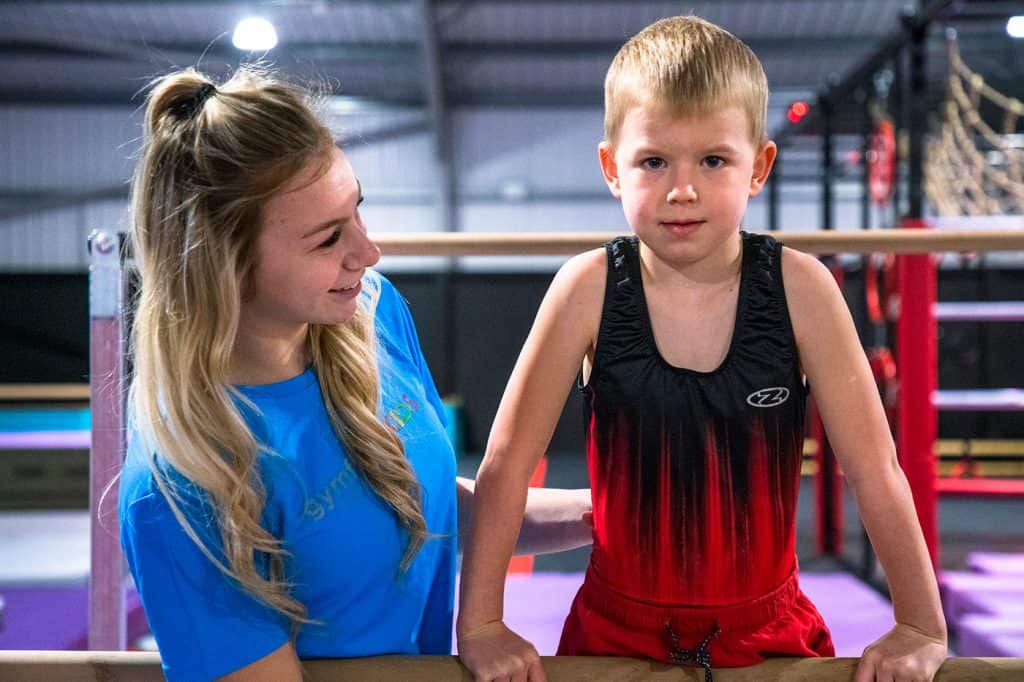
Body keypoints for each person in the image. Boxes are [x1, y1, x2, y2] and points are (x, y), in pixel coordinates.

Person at [457, 15, 948, 682]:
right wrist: (482, 623)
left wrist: (920, 622)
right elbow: (507, 467)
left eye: (713, 160)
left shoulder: (802, 290)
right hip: (612, 632)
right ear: (611, 168)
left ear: (759, 167)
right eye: (654, 161)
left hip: (768, 631)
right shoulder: (585, 290)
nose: (681, 189)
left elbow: (874, 471)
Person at [118, 66, 592, 682]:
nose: (368, 253)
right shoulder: (182, 488)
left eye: (358, 211)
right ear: (223, 263)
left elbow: (428, 516)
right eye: (327, 240)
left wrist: (610, 517)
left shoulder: (373, 314)